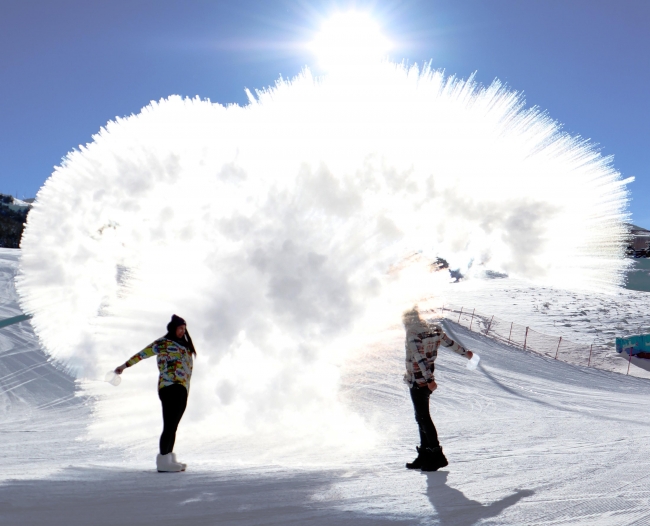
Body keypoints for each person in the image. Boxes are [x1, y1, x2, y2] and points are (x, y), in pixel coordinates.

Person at [114, 314, 196, 473]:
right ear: (173, 328)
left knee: (174, 425)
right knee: (169, 423)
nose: (182, 331)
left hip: (183, 387)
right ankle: (163, 459)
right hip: (169, 386)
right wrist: (124, 366)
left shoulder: (185, 345)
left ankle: (169, 458)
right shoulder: (163, 343)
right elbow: (142, 354)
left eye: (184, 329)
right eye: (180, 328)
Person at [403, 306, 473, 471]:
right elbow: (450, 343)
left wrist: (428, 379)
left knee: (423, 417)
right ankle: (425, 455)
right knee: (421, 417)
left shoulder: (413, 334)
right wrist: (466, 353)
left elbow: (420, 358)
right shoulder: (434, 330)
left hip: (419, 380)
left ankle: (436, 456)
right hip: (425, 379)